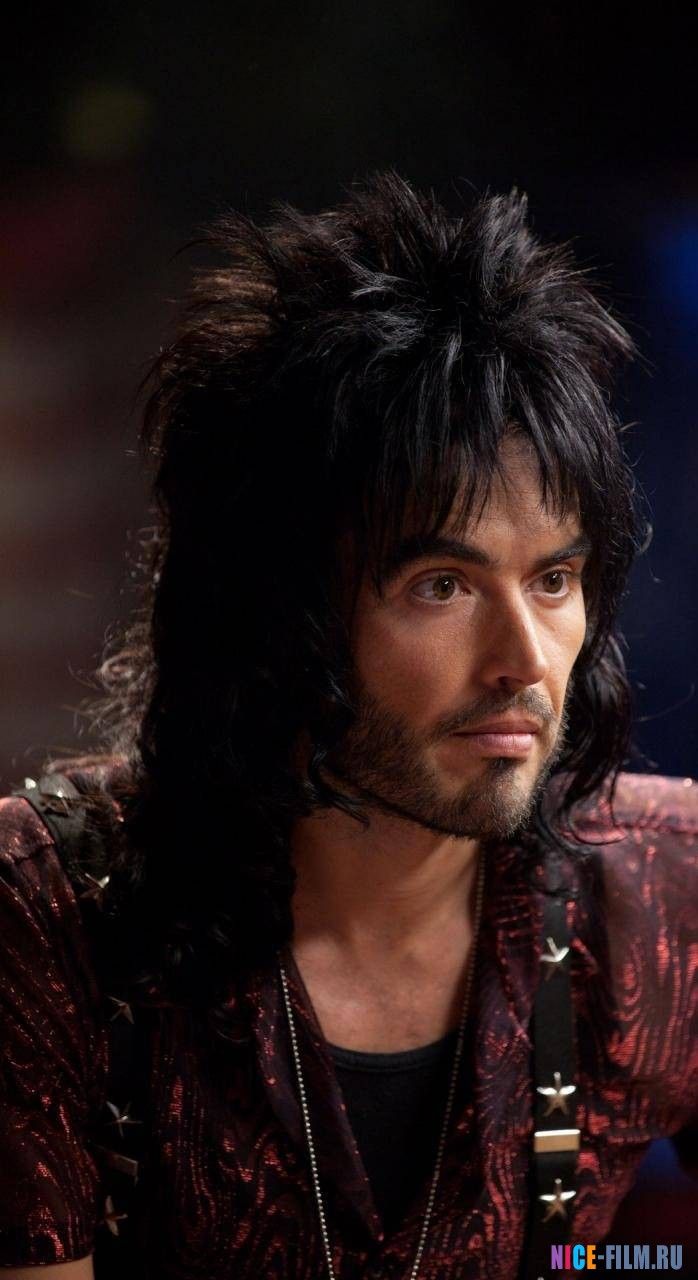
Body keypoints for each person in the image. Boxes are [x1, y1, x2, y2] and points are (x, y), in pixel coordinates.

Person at [0, 171, 695, 1280]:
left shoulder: (658, 894)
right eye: (441, 585)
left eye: (553, 579)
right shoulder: (53, 915)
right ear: (280, 611)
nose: (524, 658)